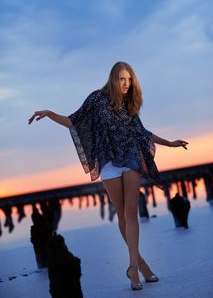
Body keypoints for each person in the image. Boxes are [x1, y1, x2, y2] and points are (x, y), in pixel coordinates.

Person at [28, 61, 188, 291]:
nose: (126, 84)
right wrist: (50, 113)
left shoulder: (129, 104)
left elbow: (142, 132)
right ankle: (141, 264)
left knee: (131, 212)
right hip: (109, 164)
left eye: (129, 79)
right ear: (113, 78)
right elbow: (73, 121)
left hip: (130, 158)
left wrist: (169, 143)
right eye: (122, 79)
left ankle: (132, 268)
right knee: (122, 215)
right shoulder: (96, 99)